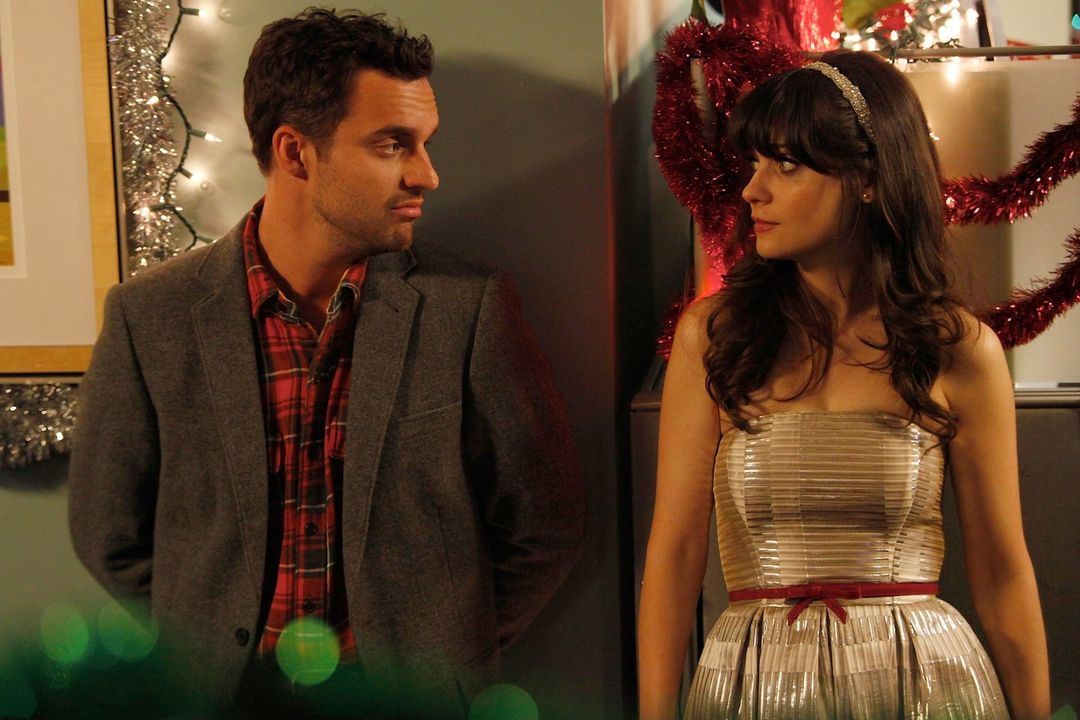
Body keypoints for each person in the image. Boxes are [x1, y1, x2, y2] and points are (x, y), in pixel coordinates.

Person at [69, 8, 584, 718]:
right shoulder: (151, 315)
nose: (427, 175)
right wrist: (206, 644)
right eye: (392, 145)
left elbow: (544, 526)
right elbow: (108, 532)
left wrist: (438, 654)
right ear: (296, 153)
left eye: (424, 144)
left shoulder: (468, 307)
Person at [638, 50, 1050, 719]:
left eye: (786, 164)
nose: (752, 191)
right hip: (755, 688)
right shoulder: (712, 337)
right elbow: (675, 555)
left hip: (924, 686)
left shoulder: (957, 349)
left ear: (868, 178)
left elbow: (1003, 574)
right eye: (753, 163)